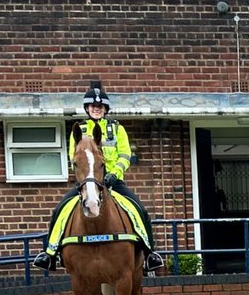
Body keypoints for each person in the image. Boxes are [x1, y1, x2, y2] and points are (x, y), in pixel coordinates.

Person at [32, 85, 165, 271]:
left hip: (113, 181)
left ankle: (150, 254)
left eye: (100, 106)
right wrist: (86, 178)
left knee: (140, 210)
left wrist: (114, 174)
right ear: (87, 108)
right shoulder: (78, 130)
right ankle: (49, 254)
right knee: (59, 211)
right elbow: (75, 158)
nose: (96, 108)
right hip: (87, 182)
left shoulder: (117, 129)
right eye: (93, 106)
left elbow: (125, 155)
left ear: (105, 109)